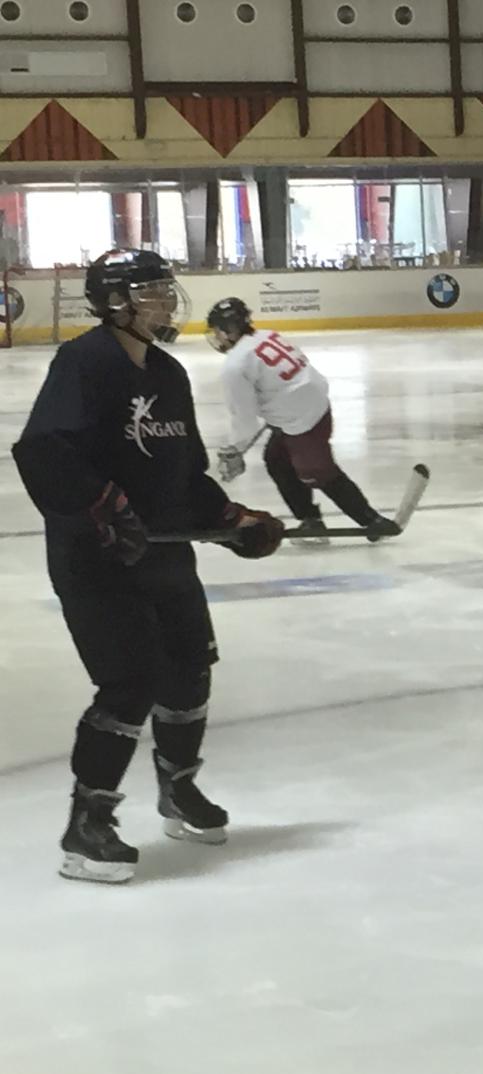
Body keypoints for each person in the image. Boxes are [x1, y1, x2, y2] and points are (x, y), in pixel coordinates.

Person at [10, 250, 284, 884]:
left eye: (164, 287)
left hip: (162, 551)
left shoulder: (166, 372)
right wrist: (101, 506)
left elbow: (183, 473)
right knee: (130, 684)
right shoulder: (84, 363)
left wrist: (230, 519)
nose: (166, 299)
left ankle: (178, 789)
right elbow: (43, 452)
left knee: (189, 669)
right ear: (115, 302)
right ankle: (87, 826)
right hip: (96, 558)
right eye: (151, 290)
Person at [205, 298, 400, 543]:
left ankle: (372, 521)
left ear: (229, 330)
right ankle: (310, 519)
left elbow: (244, 418)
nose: (216, 337)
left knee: (317, 472)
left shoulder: (235, 365)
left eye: (217, 331)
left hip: (301, 421)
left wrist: (234, 449)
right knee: (277, 460)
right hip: (313, 406)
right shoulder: (267, 335)